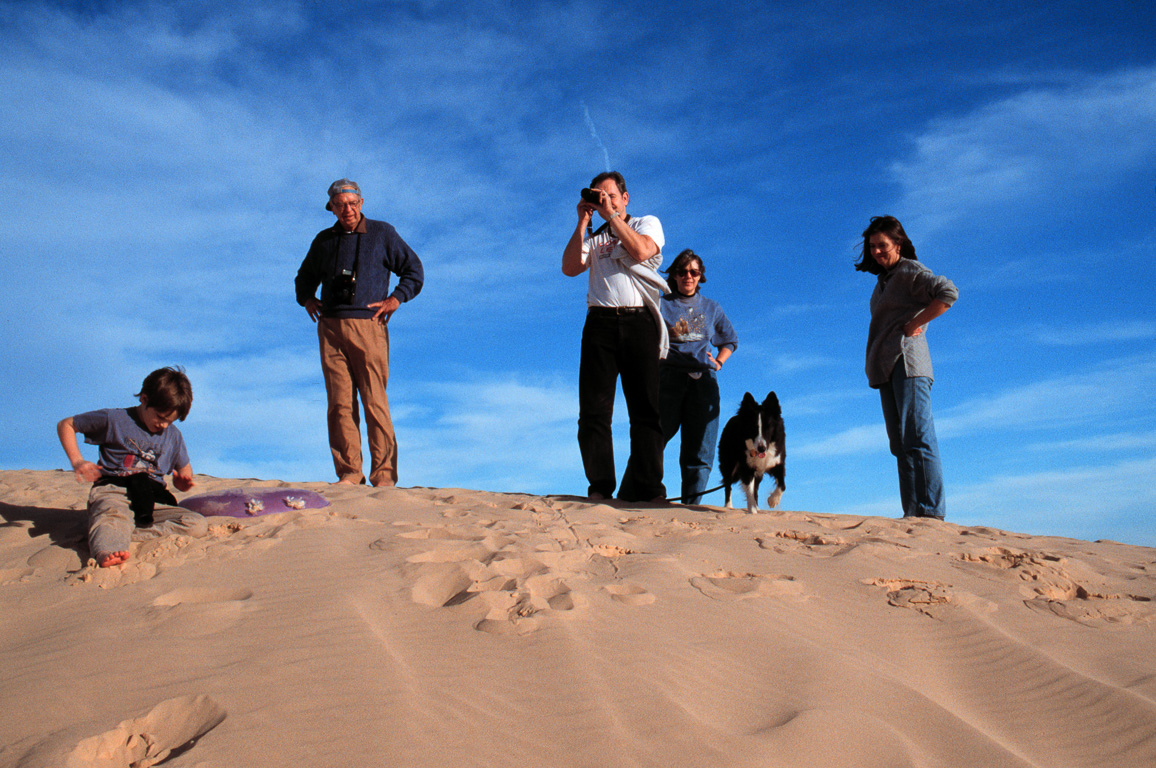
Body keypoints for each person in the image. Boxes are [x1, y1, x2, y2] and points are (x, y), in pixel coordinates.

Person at [295, 179, 424, 487]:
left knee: (374, 401)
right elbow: (304, 277)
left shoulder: (382, 233)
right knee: (339, 404)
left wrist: (396, 299)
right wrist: (307, 299)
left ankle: (383, 476)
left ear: (362, 203)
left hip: (369, 326)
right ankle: (350, 473)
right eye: (340, 205)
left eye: (352, 204)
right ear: (332, 208)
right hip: (330, 328)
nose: (347, 210)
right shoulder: (323, 240)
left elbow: (414, 271)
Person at [562, 171, 667, 502]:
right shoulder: (596, 238)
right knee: (593, 411)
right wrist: (583, 221)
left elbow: (642, 251)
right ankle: (600, 489)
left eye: (609, 194)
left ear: (625, 197)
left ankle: (649, 491)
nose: (604, 200)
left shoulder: (645, 223)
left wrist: (611, 217)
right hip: (600, 325)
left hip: (639, 323)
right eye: (598, 195)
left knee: (646, 410)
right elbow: (569, 267)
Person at [856, 215, 958, 519]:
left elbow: (948, 293)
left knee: (917, 436)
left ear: (898, 243)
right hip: (884, 367)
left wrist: (916, 322)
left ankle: (931, 514)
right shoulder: (882, 283)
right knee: (899, 444)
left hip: (908, 362)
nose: (876, 251)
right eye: (872, 246)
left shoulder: (910, 270)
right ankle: (913, 514)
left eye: (882, 245)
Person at [56, 367, 206, 568]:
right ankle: (108, 547)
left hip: (152, 500)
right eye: (161, 417)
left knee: (196, 524)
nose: (163, 426)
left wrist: (183, 481)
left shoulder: (174, 436)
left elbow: (185, 468)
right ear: (144, 399)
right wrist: (77, 461)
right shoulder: (115, 419)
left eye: (169, 422)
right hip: (115, 491)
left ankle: (123, 533)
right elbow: (66, 424)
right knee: (113, 515)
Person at [659, 249, 738, 504]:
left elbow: (730, 340)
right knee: (653, 438)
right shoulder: (661, 303)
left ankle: (691, 506)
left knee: (701, 449)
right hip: (668, 379)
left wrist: (719, 362)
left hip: (703, 382)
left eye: (693, 272)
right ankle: (645, 494)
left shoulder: (711, 307)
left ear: (700, 275)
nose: (688, 276)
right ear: (674, 275)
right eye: (682, 272)